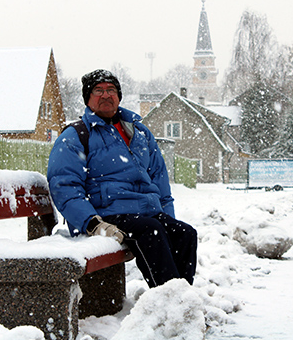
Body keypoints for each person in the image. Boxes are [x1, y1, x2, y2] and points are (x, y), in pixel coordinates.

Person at [47, 69, 197, 288]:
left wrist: (168, 218)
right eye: (98, 91)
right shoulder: (76, 135)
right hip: (105, 215)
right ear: (88, 99)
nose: (106, 95)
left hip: (146, 212)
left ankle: (182, 301)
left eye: (111, 90)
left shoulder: (139, 133)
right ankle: (168, 300)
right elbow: (65, 186)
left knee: (184, 233)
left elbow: (159, 179)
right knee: (151, 231)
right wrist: (92, 223)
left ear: (119, 96)